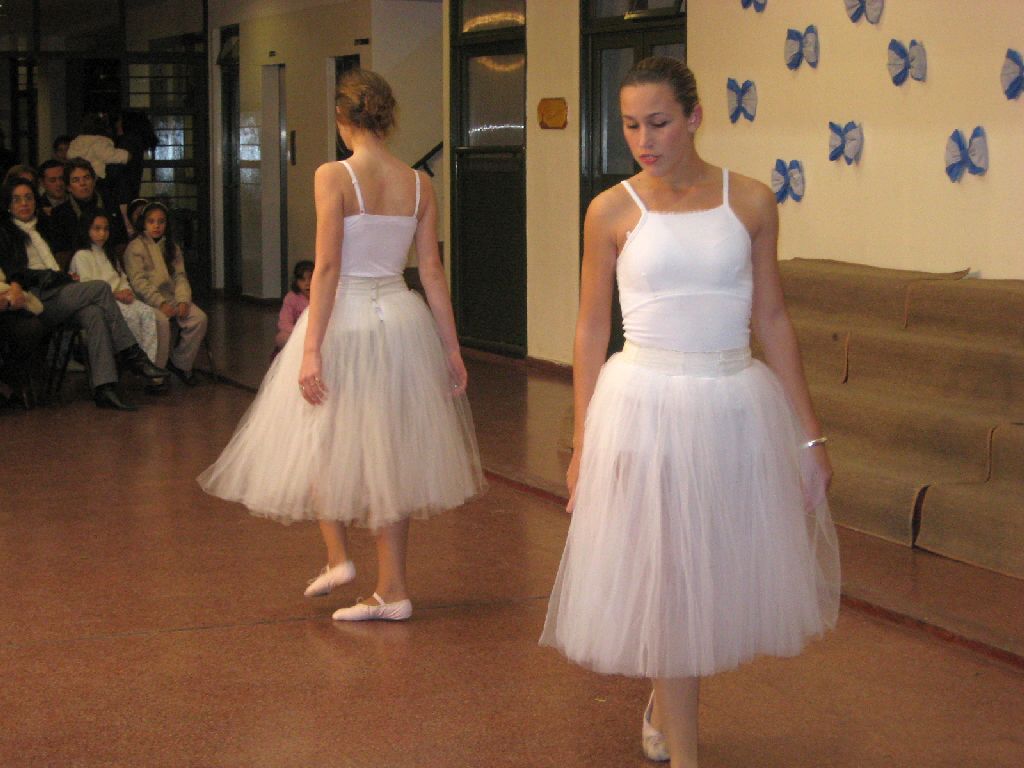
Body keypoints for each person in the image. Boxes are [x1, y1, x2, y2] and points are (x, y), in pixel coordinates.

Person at [538, 57, 840, 768]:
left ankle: (662, 702)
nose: (644, 140)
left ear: (695, 117)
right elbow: (590, 328)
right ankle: (687, 754)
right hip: (642, 404)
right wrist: (584, 441)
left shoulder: (751, 201)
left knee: (704, 571)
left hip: (730, 404)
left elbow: (772, 318)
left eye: (659, 123)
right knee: (670, 580)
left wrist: (810, 436)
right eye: (631, 126)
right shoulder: (610, 210)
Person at [198, 68, 485, 622]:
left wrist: (310, 348)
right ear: (388, 117)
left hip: (346, 319)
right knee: (388, 453)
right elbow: (431, 271)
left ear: (340, 117)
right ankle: (393, 589)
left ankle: (339, 557)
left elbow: (327, 267)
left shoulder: (334, 175)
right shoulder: (420, 184)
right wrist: (451, 347)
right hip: (401, 319)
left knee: (317, 439)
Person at [0, 178, 168, 410]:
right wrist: (53, 277)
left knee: (94, 313)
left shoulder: (44, 226)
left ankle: (104, 388)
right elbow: (13, 272)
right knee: (100, 288)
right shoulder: (5, 232)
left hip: (56, 291)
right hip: (33, 296)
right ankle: (132, 354)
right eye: (17, 199)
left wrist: (62, 278)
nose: (24, 203)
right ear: (8, 205)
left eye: (28, 197)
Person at [123, 201, 207, 385]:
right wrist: (160, 303)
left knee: (198, 318)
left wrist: (183, 300)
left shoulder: (172, 247)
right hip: (148, 300)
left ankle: (180, 363)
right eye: (151, 221)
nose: (156, 226)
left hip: (172, 297)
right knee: (161, 322)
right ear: (143, 223)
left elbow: (180, 276)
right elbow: (139, 283)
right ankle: (157, 376)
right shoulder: (135, 247)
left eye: (161, 222)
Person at [69, 210, 159, 365]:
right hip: (103, 302)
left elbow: (121, 277)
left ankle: (148, 362)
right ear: (86, 229)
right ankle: (131, 362)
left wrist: (127, 291)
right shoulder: (81, 256)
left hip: (121, 297)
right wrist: (116, 295)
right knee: (131, 316)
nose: (102, 233)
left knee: (147, 313)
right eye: (97, 229)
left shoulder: (108, 253)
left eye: (106, 229)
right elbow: (87, 288)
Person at [49, 158, 126, 265]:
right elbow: (61, 253)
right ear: (68, 187)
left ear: (94, 181)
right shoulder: (60, 213)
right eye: (76, 180)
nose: (83, 183)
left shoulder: (110, 204)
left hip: (111, 261)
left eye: (86, 178)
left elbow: (122, 241)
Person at [275, 259, 313, 351]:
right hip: (296, 332)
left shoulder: (323, 296)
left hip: (318, 333)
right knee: (281, 338)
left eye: (311, 278)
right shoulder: (291, 297)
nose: (307, 283)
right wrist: (299, 332)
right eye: (302, 280)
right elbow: (284, 323)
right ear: (296, 281)